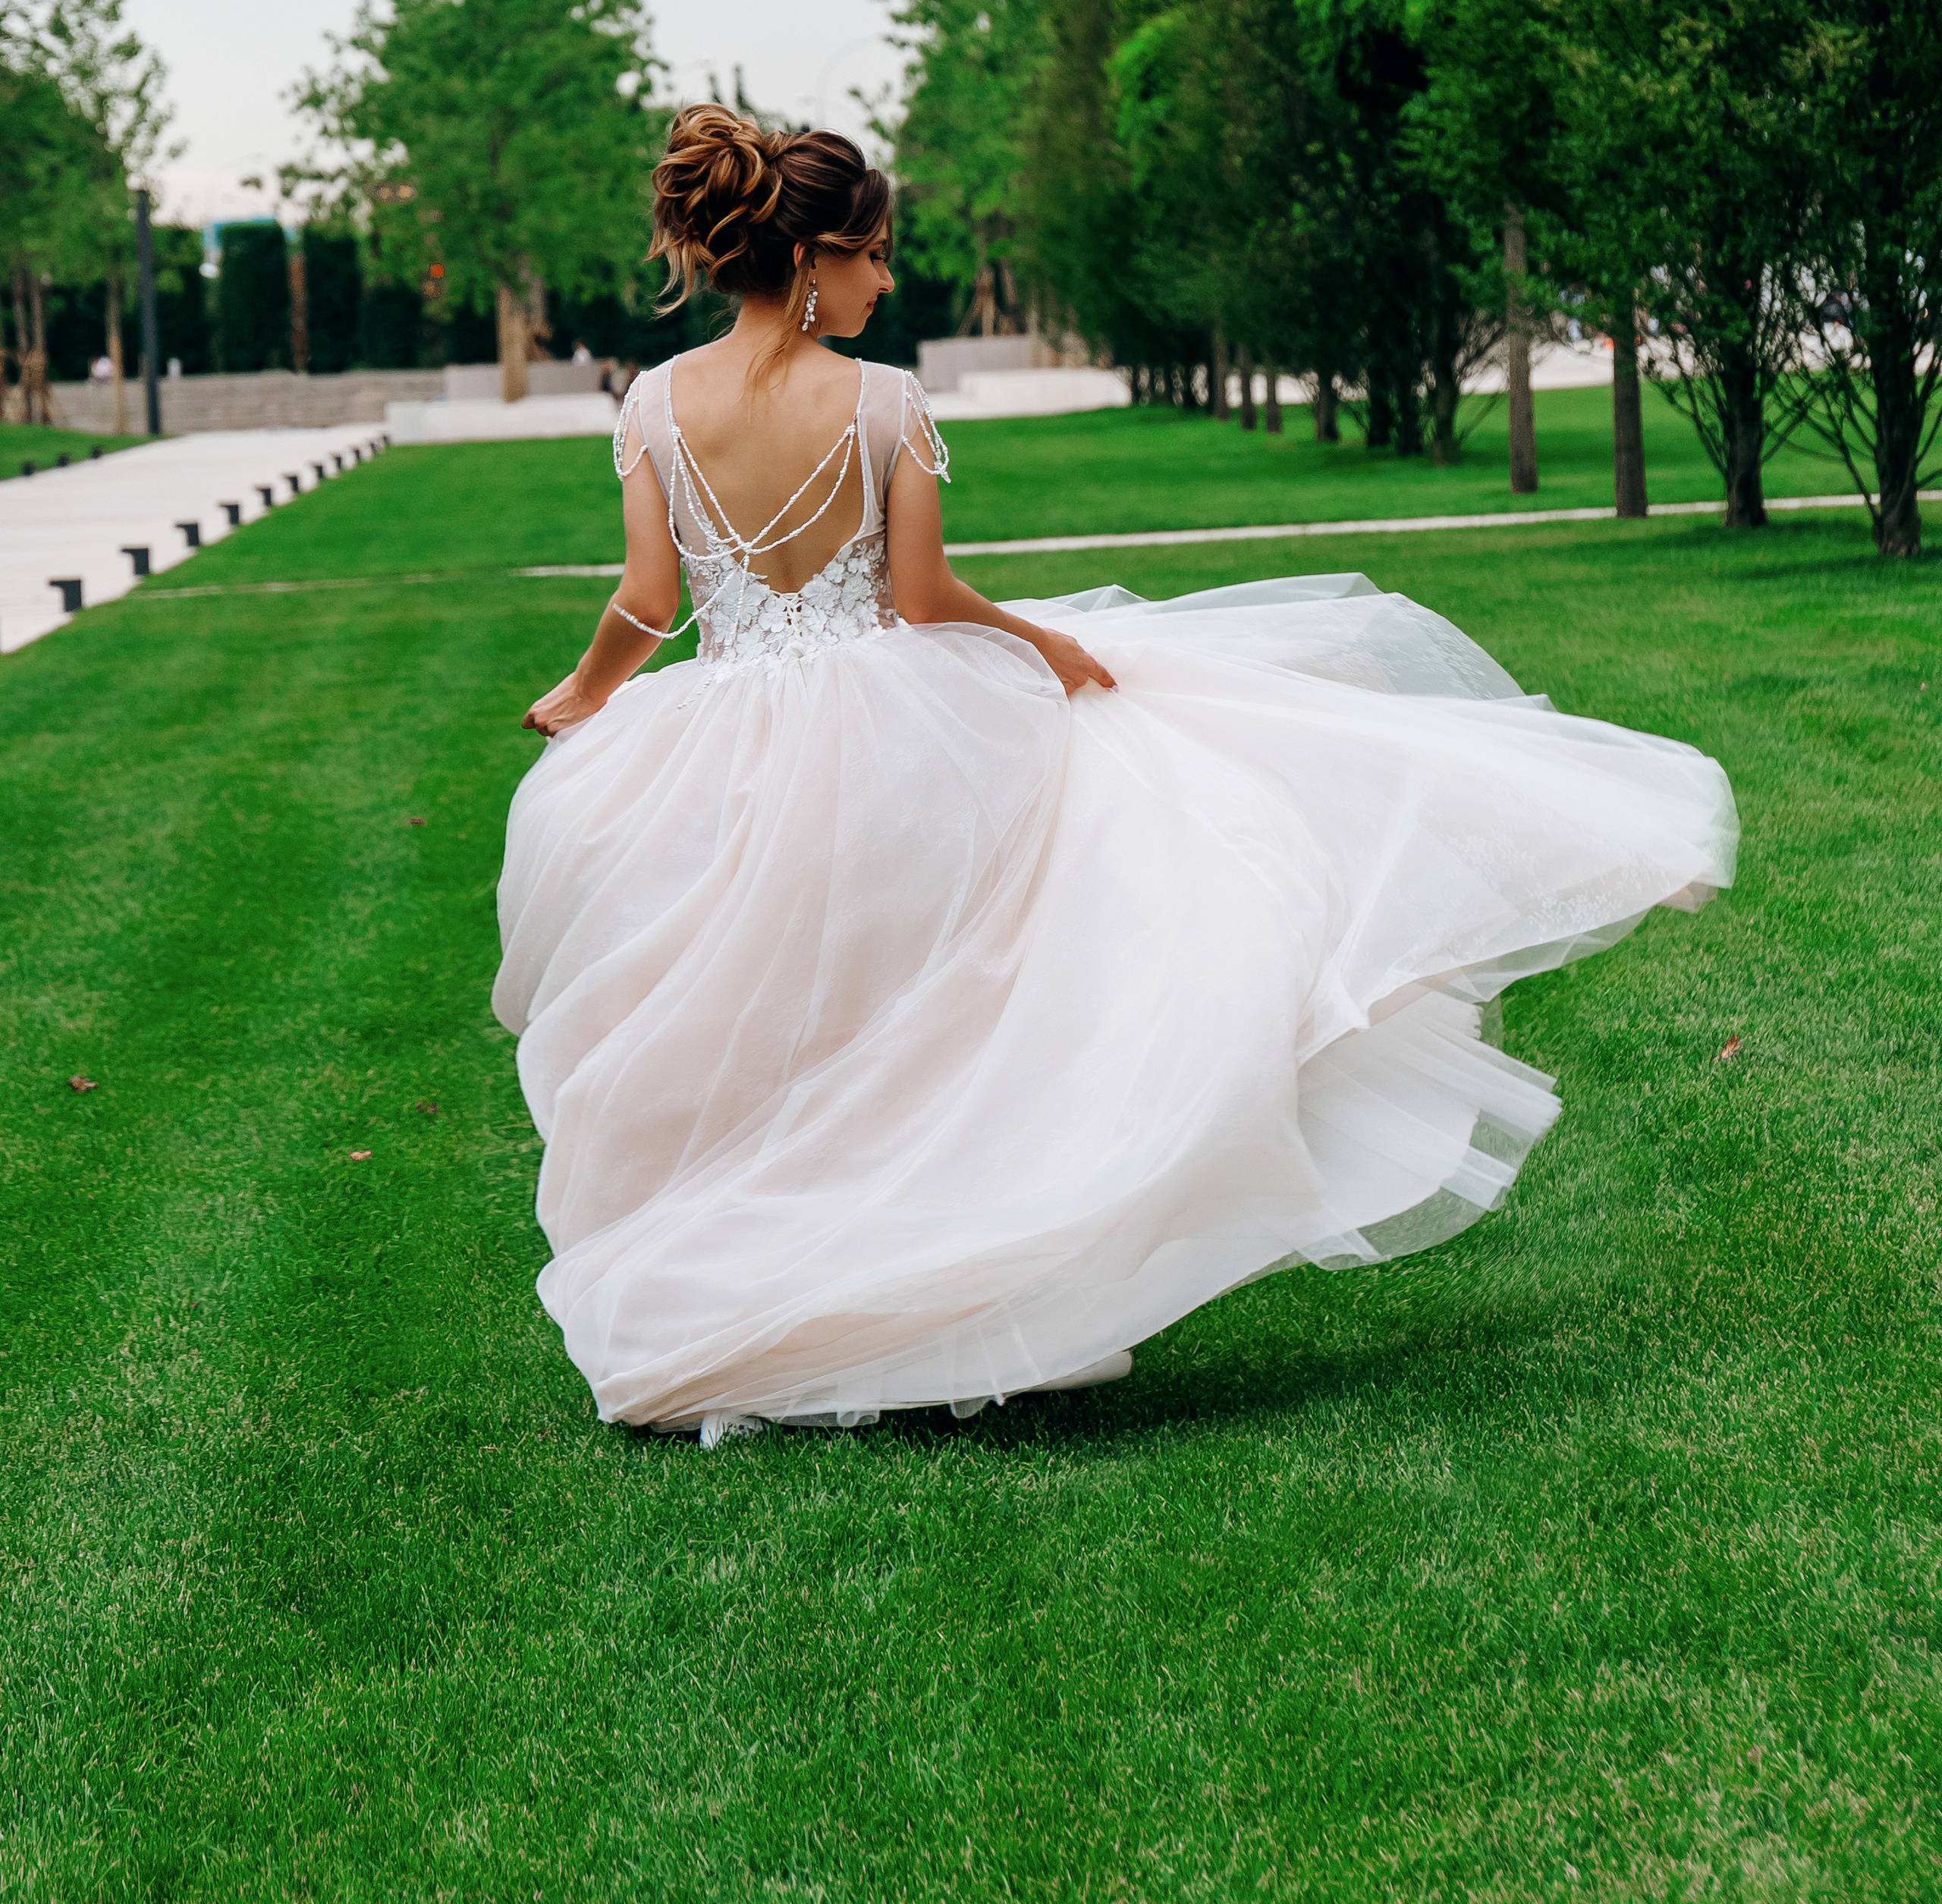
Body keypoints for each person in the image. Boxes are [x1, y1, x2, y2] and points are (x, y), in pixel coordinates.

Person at [495, 105, 1738, 1445]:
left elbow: (648, 599)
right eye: (876, 256)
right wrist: (1046, 647)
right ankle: (927, 1281)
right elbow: (921, 598)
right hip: (888, 731)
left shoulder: (654, 405)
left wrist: (585, 694)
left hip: (732, 740)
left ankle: (765, 1277)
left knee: (769, 1014)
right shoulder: (881, 402)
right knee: (923, 1010)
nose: (888, 282)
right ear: (813, 261)